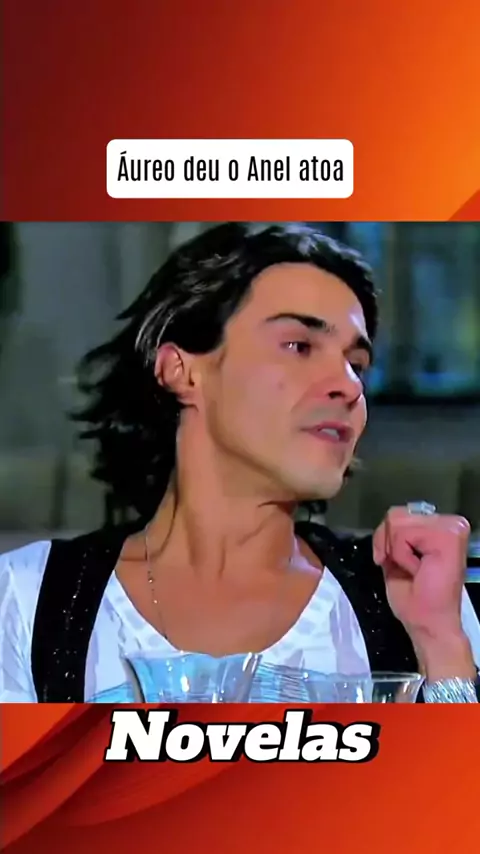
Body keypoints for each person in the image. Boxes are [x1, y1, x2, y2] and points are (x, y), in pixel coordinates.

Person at [1, 222, 479, 703]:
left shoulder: (418, 600)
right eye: (299, 346)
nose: (349, 386)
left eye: (356, 365)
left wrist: (440, 644)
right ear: (181, 371)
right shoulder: (31, 601)